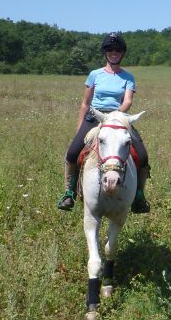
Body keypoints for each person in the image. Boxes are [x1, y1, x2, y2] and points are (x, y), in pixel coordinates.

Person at [57, 32, 151, 213]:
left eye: (117, 50)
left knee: (142, 155)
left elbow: (128, 101)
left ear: (122, 53)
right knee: (72, 153)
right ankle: (69, 193)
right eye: (110, 50)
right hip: (94, 117)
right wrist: (80, 127)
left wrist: (115, 115)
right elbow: (85, 103)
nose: (113, 53)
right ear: (105, 53)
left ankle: (139, 195)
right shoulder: (95, 75)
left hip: (118, 117)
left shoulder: (128, 77)